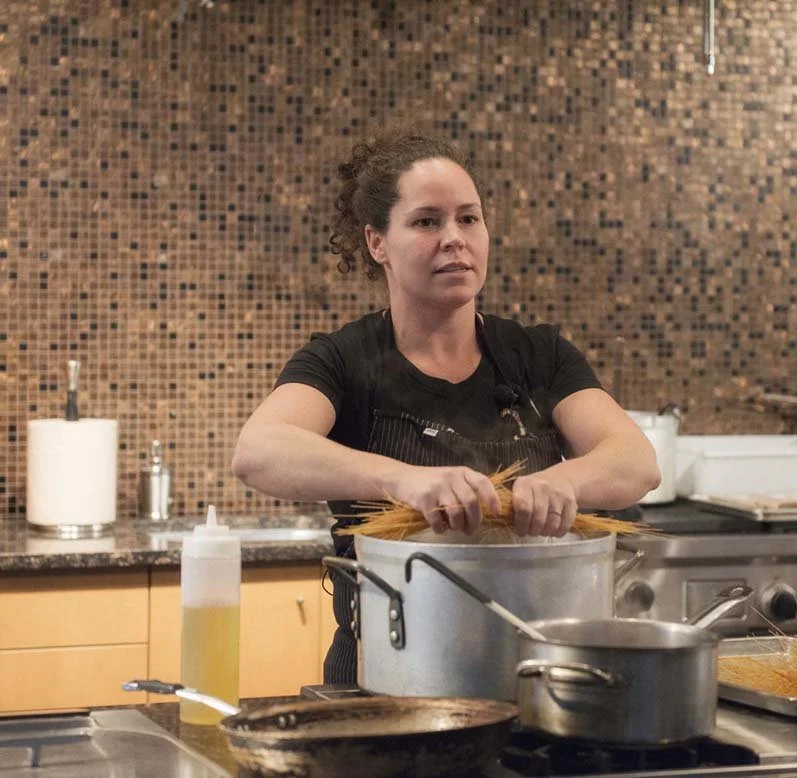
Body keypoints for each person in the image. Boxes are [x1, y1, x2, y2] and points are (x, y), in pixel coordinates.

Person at [232, 129, 661, 683]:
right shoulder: (343, 360)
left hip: (538, 681)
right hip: (389, 676)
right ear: (377, 243)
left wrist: (567, 482)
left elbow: (635, 461)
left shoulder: (537, 355)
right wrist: (405, 481)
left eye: (469, 218)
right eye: (426, 221)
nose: (454, 238)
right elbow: (258, 451)